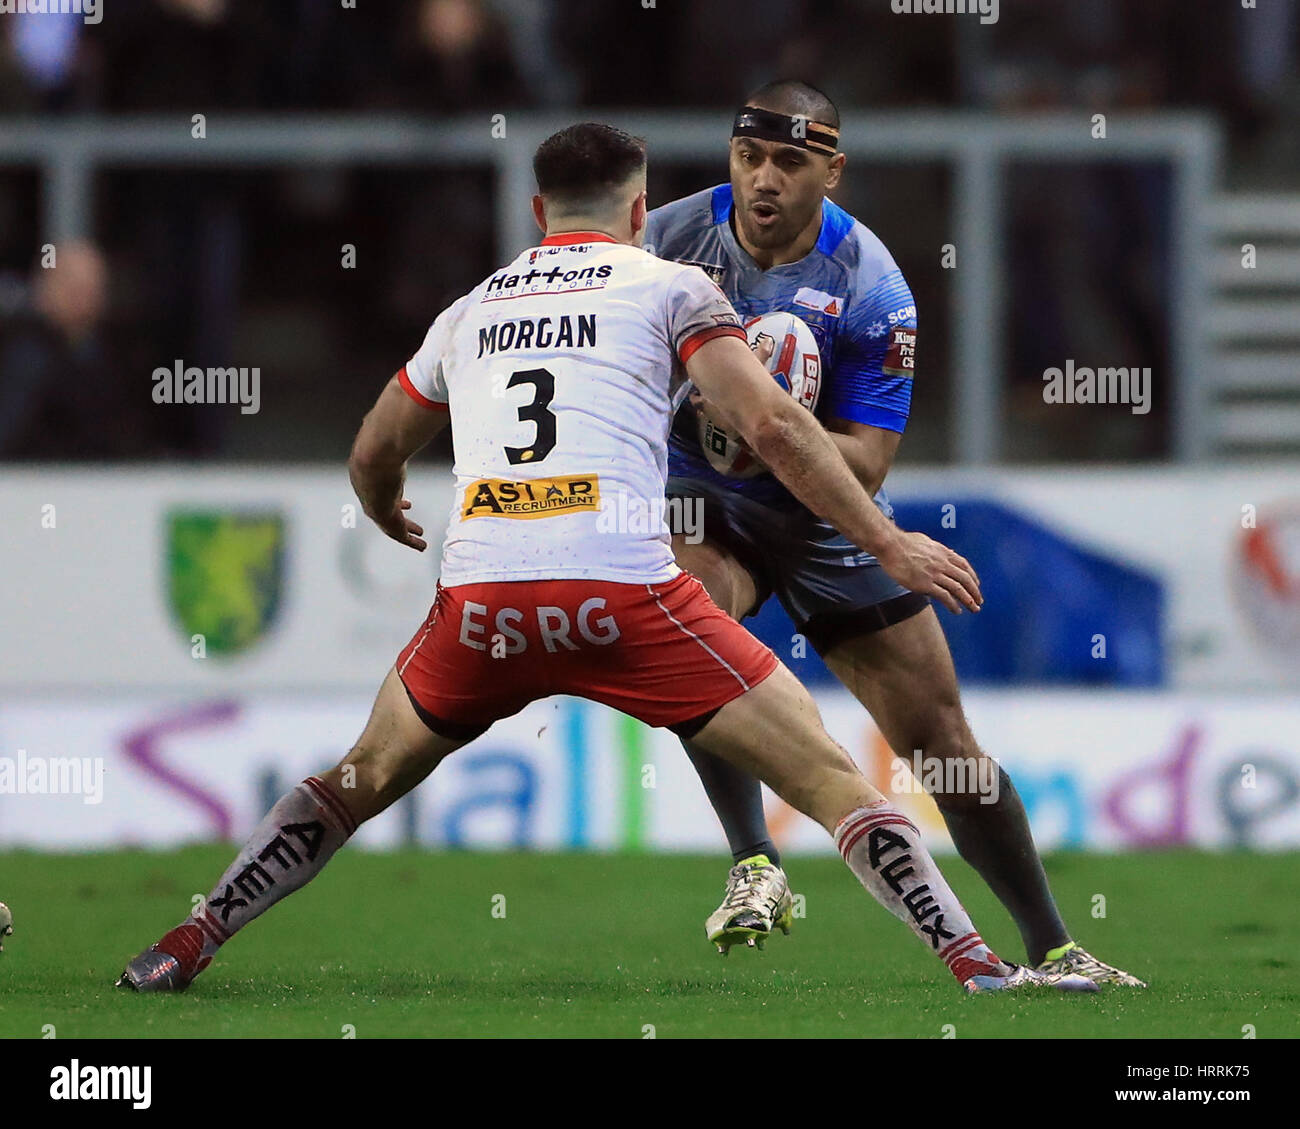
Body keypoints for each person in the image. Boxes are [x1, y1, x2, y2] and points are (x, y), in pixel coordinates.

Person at [118, 122, 1095, 996]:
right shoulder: (673, 283)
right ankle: (976, 966)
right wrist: (891, 538)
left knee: (354, 780)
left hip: (483, 603)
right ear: (640, 210)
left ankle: (190, 937)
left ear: (538, 210)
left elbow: (375, 449)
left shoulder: (473, 306)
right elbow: (775, 426)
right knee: (838, 782)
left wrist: (384, 512)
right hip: (619, 594)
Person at [645, 80, 1144, 986]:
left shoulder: (871, 284)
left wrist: (765, 427)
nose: (764, 179)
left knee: (943, 746)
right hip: (697, 497)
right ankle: (755, 861)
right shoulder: (666, 241)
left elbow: (867, 463)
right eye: (749, 156)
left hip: (826, 511)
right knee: (694, 617)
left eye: (789, 163)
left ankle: (1057, 947)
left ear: (831, 171)